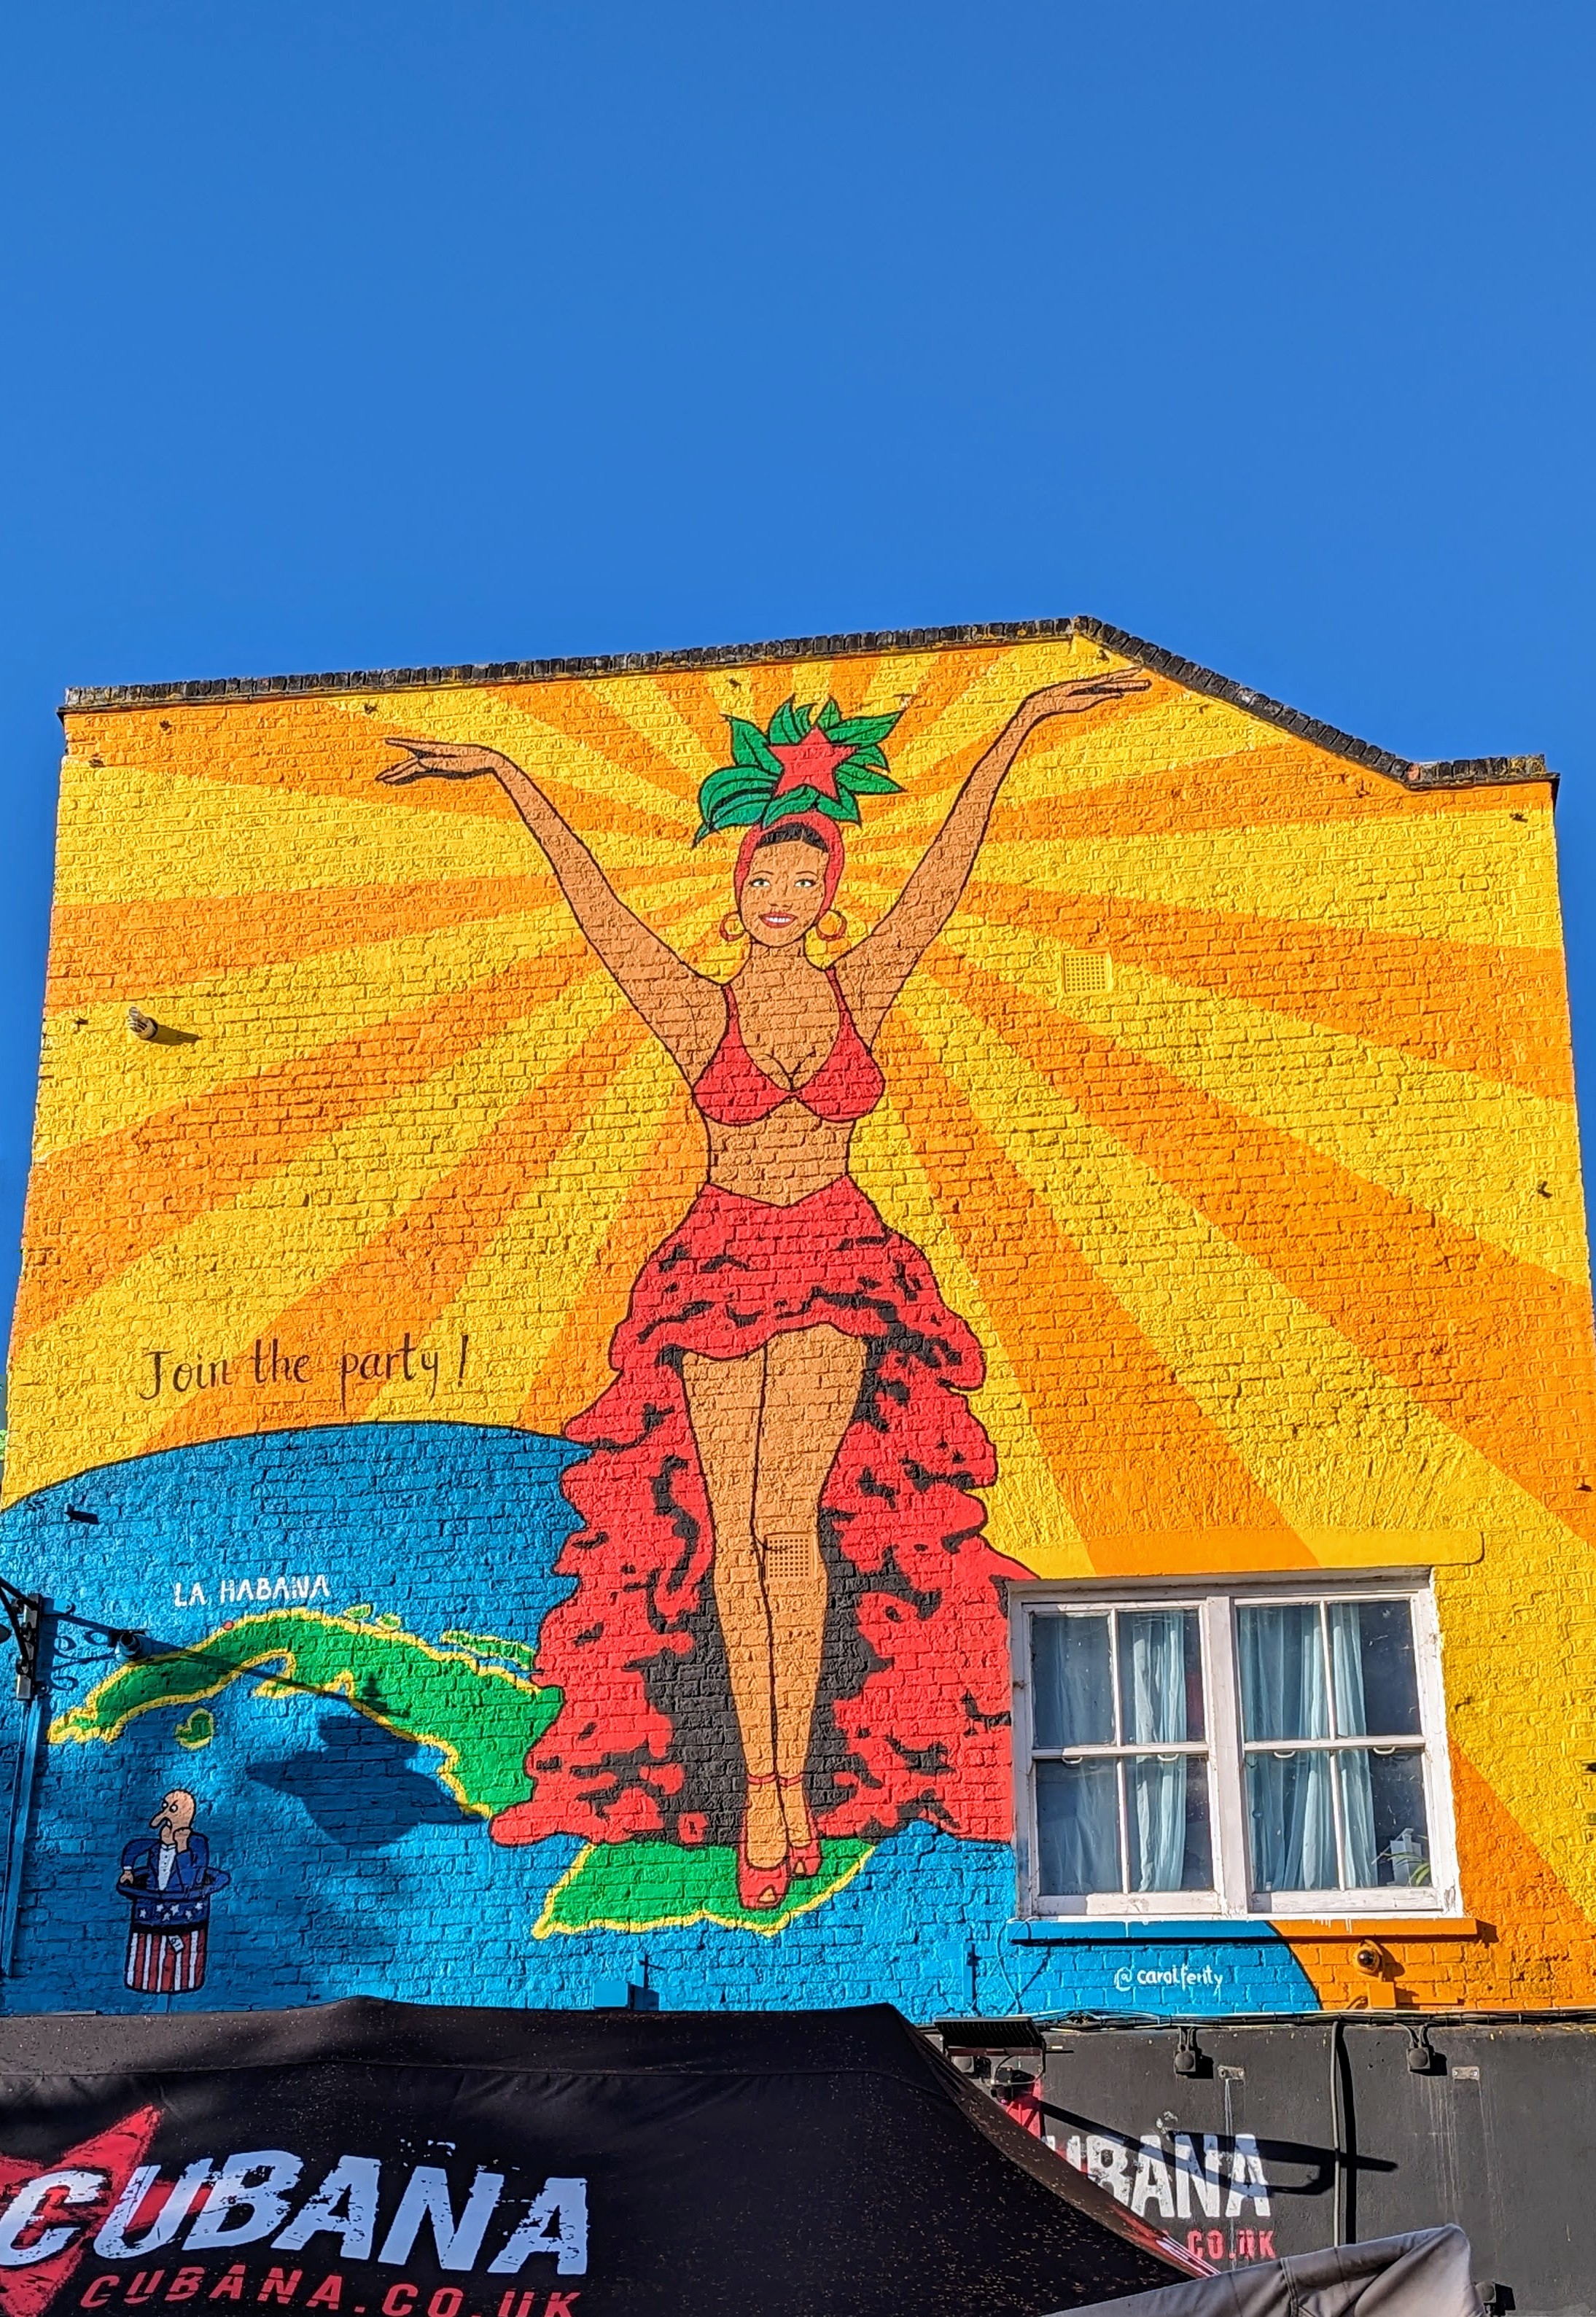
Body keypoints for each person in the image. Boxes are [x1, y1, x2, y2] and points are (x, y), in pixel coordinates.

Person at [381, 666, 1147, 1909]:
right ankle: (763, 1788)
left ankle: (784, 1780)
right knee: (733, 1529)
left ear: (828, 902)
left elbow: (945, 874)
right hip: (724, 1258)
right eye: (764, 878)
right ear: (735, 897)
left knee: (788, 1518)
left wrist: (1014, 725)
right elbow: (596, 908)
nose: (784, 894)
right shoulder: (695, 1008)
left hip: (832, 1255)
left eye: (806, 880)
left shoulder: (865, 987)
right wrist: (509, 776)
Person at [118, 1788, 227, 1993]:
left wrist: (182, 1847)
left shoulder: (197, 1843)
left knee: (180, 1959)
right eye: (165, 1807)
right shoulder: (156, 1845)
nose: (166, 1813)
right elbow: (134, 1847)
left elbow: (191, 1878)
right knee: (149, 1957)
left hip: (183, 1915)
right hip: (151, 1912)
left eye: (173, 1808)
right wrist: (127, 1870)